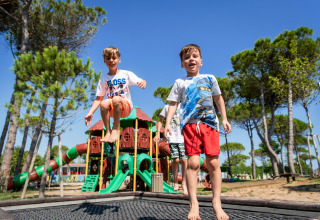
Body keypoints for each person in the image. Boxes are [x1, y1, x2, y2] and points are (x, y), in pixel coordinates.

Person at [164, 44, 231, 220]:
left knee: (214, 163)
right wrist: (167, 124)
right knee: (193, 163)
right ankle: (194, 204)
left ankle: (217, 202)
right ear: (182, 64)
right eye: (186, 58)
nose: (191, 59)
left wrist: (224, 118)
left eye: (194, 56)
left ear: (201, 61)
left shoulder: (210, 78)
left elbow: (218, 98)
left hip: (209, 124)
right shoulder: (180, 82)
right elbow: (173, 104)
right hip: (190, 126)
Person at [85, 46, 146, 143]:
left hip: (125, 106)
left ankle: (115, 129)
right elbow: (98, 99)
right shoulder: (103, 79)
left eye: (114, 58)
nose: (111, 60)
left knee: (116, 99)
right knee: (104, 103)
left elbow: (141, 80)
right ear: (104, 60)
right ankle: (108, 132)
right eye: (108, 58)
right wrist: (90, 112)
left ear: (119, 60)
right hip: (113, 110)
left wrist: (143, 82)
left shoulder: (126, 74)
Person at [153, 103, 188, 195]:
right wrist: (157, 134)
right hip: (172, 137)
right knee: (175, 160)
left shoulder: (183, 106)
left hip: (183, 137)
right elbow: (160, 121)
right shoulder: (167, 107)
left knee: (184, 160)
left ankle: (184, 183)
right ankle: (176, 182)